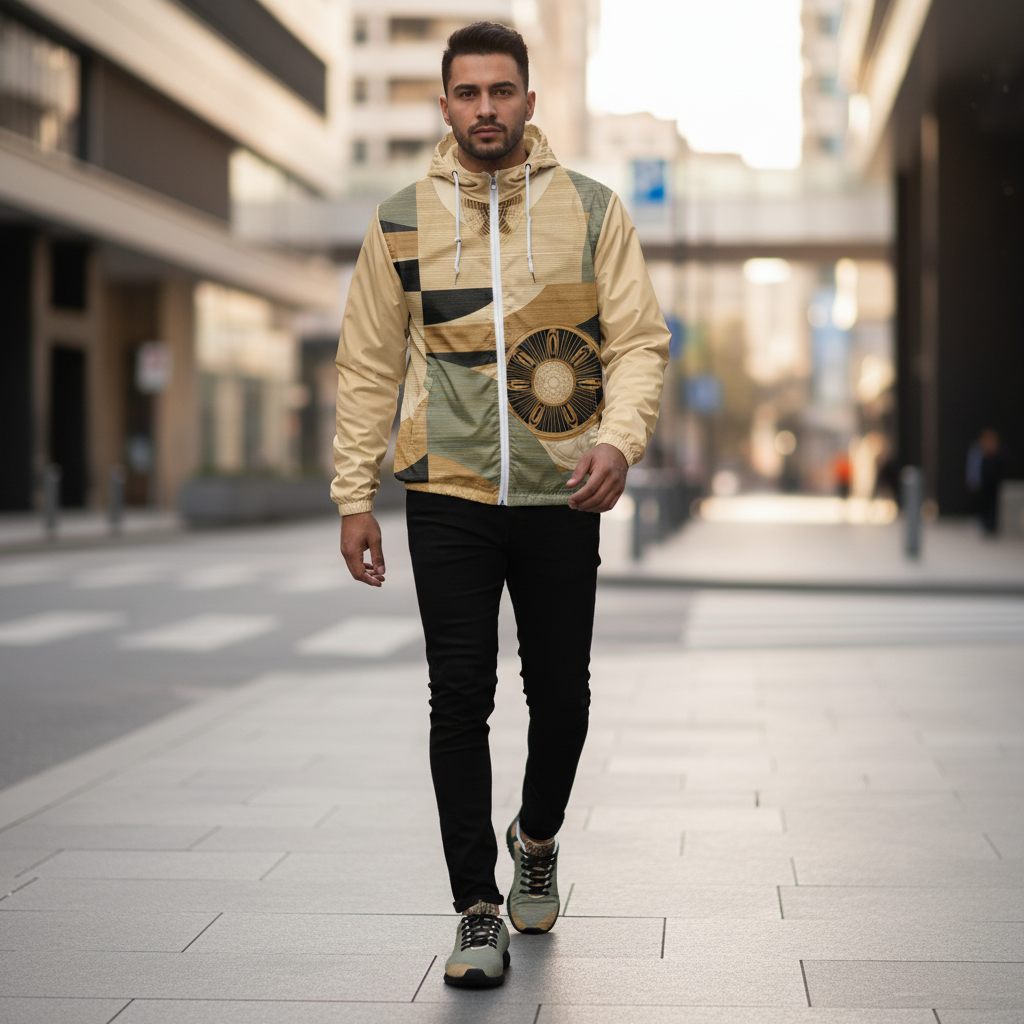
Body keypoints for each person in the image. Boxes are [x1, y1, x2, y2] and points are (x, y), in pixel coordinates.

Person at [332, 21, 669, 989]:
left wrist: (617, 439)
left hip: (565, 488)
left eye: (501, 90)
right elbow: (365, 366)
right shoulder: (399, 221)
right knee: (458, 695)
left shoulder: (594, 211)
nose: (485, 108)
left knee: (561, 694)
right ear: (445, 106)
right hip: (446, 492)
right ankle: (475, 908)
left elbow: (639, 341)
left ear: (529, 100)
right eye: (468, 92)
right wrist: (353, 493)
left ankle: (538, 835)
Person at [966, 428, 1005, 535]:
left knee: (993, 506)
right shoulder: (978, 451)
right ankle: (985, 524)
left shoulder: (997, 455)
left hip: (993, 485)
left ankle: (991, 525)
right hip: (984, 484)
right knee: (984, 504)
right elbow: (974, 466)